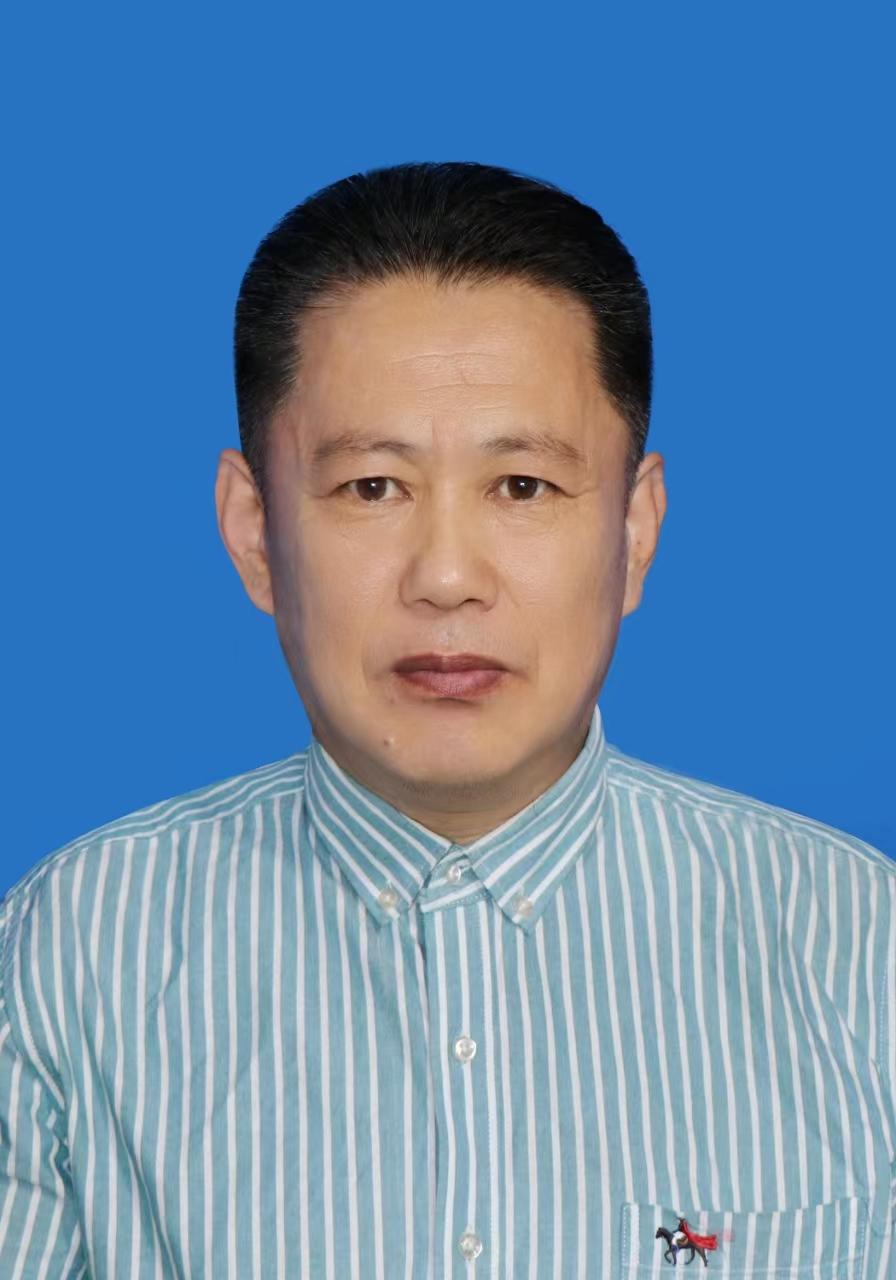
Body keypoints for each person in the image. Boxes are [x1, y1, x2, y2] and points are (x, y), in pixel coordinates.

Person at [1, 160, 893, 1279]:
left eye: (522, 486)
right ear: (252, 531)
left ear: (634, 530)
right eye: (372, 487)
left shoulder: (860, 953)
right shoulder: (74, 953)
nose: (447, 577)